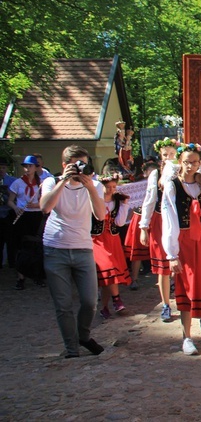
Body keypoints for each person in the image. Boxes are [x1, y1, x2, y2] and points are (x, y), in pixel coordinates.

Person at [40, 145, 106, 358]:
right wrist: (62, 182)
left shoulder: (94, 185)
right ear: (64, 166)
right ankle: (72, 348)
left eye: (83, 165)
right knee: (63, 304)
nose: (79, 169)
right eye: (75, 165)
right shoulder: (51, 182)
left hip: (83, 248)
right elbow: (45, 208)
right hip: (55, 248)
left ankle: (83, 336)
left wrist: (91, 189)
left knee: (89, 301)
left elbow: (100, 215)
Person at [162, 142, 201, 355]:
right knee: (187, 285)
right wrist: (171, 253)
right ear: (180, 161)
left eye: (195, 162)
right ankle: (186, 336)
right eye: (187, 162)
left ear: (200, 163)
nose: (191, 166)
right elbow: (169, 219)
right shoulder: (172, 185)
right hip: (185, 241)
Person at [139, 138, 179, 321]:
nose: (169, 157)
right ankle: (165, 304)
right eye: (165, 154)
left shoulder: (182, 171)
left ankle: (185, 300)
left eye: (172, 154)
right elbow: (149, 200)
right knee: (162, 267)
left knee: (181, 263)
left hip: (180, 221)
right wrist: (144, 226)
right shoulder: (156, 174)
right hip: (160, 221)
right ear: (160, 156)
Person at [92, 173, 131, 319]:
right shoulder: (95, 200)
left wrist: (125, 204)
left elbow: (120, 223)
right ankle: (117, 300)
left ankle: (104, 307)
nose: (110, 190)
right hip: (97, 240)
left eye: (113, 187)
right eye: (107, 187)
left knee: (107, 277)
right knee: (107, 269)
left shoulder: (116, 201)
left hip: (112, 240)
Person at [7, 155, 45, 289]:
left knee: (37, 246)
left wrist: (38, 205)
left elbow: (46, 201)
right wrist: (16, 208)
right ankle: (20, 278)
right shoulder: (18, 183)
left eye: (30, 166)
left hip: (37, 216)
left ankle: (38, 275)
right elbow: (10, 200)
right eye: (26, 166)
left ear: (35, 167)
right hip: (22, 216)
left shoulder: (41, 182)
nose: (27, 169)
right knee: (21, 247)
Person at [122, 158, 159, 291]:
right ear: (144, 173)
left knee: (161, 249)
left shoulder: (161, 181)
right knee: (136, 249)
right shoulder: (138, 184)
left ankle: (165, 279)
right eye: (150, 171)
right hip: (140, 216)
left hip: (156, 216)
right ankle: (135, 278)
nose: (152, 173)